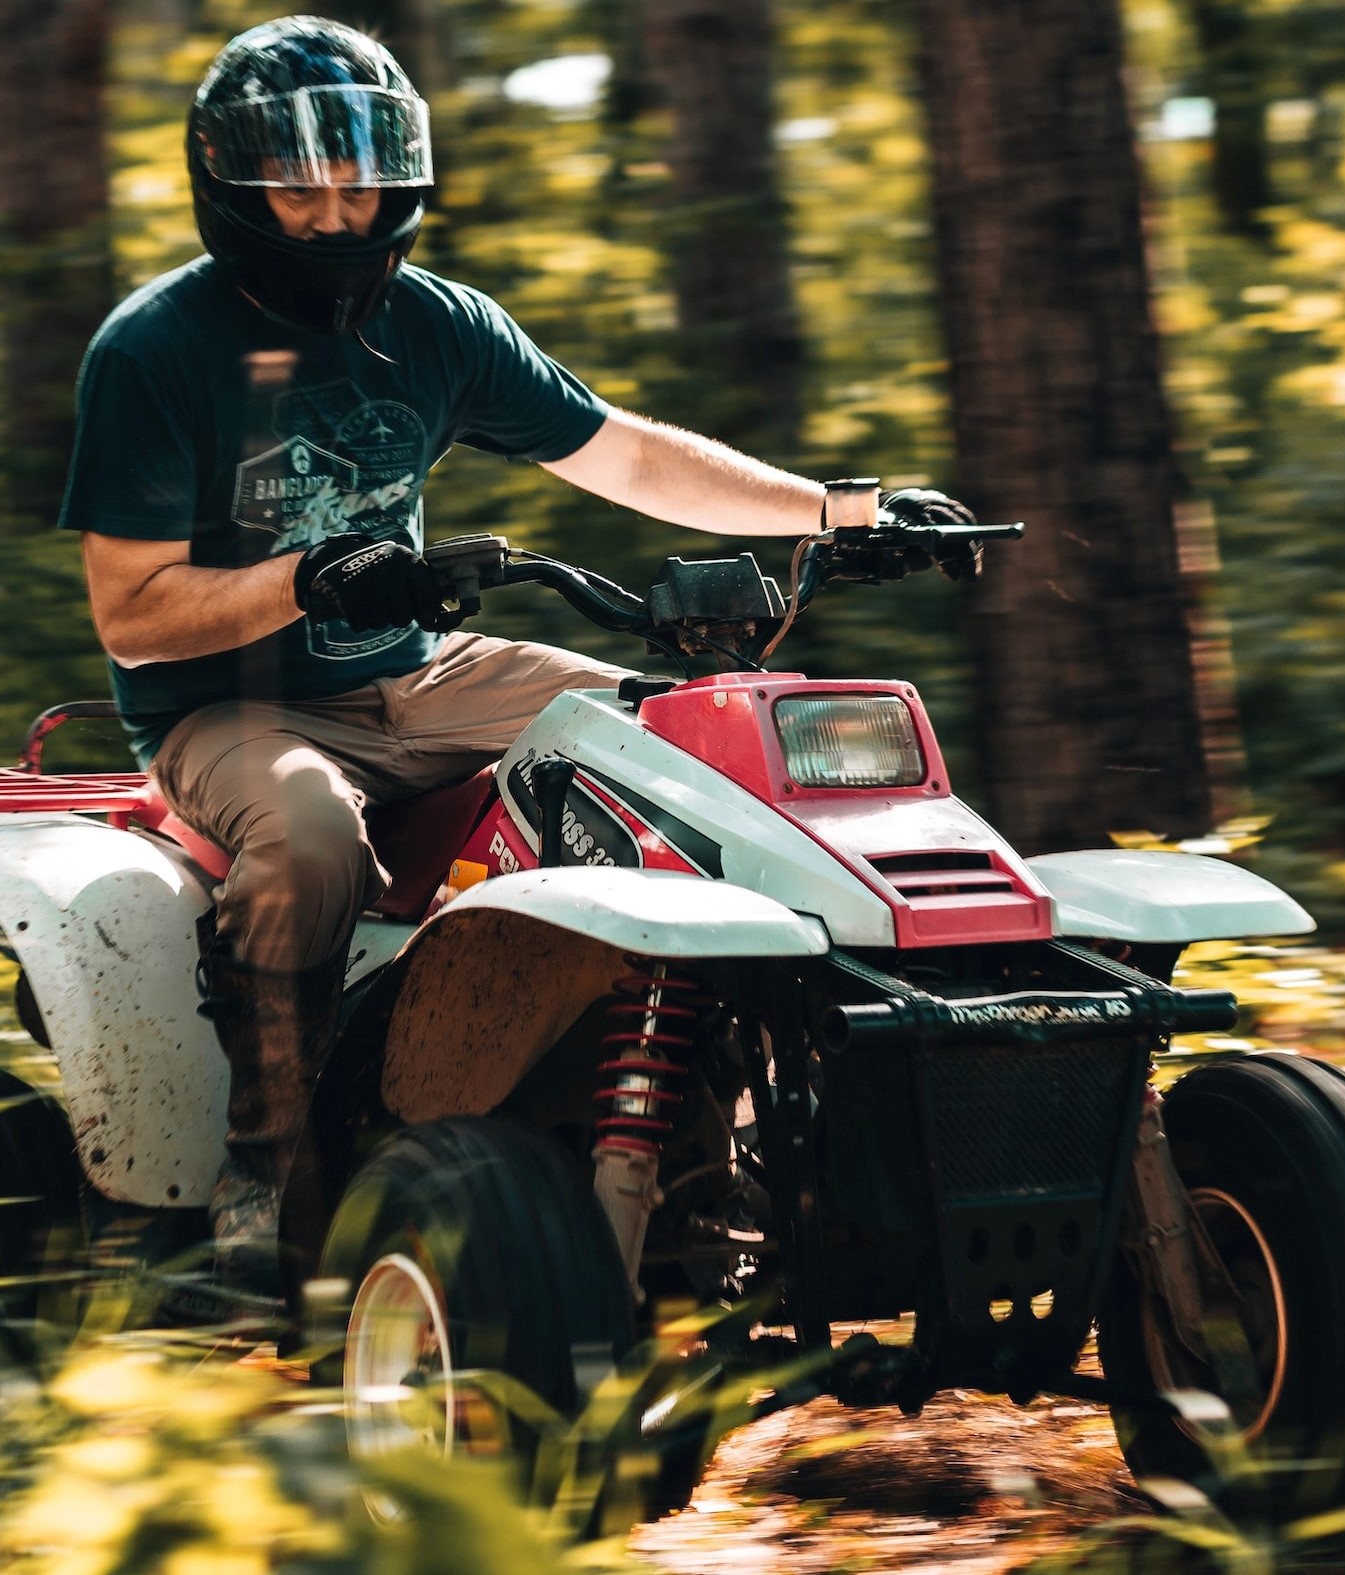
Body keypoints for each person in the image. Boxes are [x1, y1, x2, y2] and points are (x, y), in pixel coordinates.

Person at [58, 14, 974, 1293]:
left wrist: (845, 509)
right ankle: (265, 1192)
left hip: (417, 669)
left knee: (685, 758)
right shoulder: (155, 351)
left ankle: (723, 1141)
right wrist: (302, 576)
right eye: (299, 183)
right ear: (230, 183)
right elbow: (134, 612)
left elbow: (630, 454)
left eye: (360, 176)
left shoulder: (437, 325)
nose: (336, 212)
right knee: (312, 841)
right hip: (234, 704)